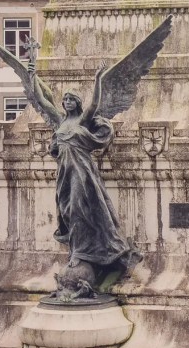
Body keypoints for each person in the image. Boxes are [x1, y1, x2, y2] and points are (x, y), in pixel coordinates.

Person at [31, 74, 134, 275]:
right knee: (67, 210)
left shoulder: (83, 120)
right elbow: (41, 100)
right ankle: (80, 248)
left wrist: (98, 78)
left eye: (71, 99)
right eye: (65, 99)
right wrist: (32, 74)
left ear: (77, 103)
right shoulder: (60, 120)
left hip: (81, 172)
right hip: (64, 173)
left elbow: (94, 103)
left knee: (78, 208)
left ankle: (79, 253)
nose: (68, 102)